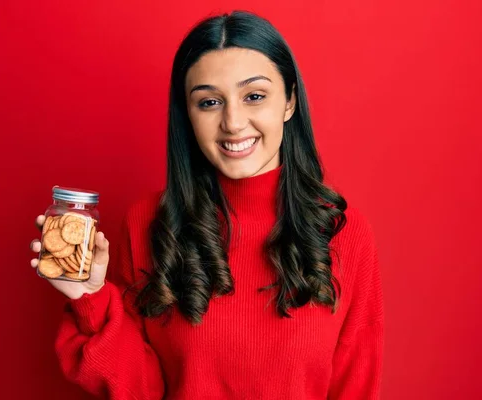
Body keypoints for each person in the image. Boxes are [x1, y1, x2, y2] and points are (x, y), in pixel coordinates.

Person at [30, 10, 384, 400]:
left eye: (254, 96)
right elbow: (141, 390)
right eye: (210, 102)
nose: (232, 122)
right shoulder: (150, 223)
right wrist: (89, 296)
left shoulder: (344, 234)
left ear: (289, 102)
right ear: (188, 116)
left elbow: (357, 386)